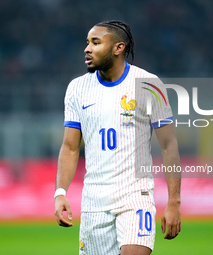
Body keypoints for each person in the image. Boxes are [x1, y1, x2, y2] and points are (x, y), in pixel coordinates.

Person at [54, 20, 181, 255]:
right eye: (87, 43)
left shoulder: (150, 85)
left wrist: (174, 201)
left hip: (135, 196)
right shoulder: (77, 88)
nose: (87, 48)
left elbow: (168, 144)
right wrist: (60, 192)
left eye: (96, 42)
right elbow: (70, 147)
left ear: (118, 48)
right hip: (94, 200)